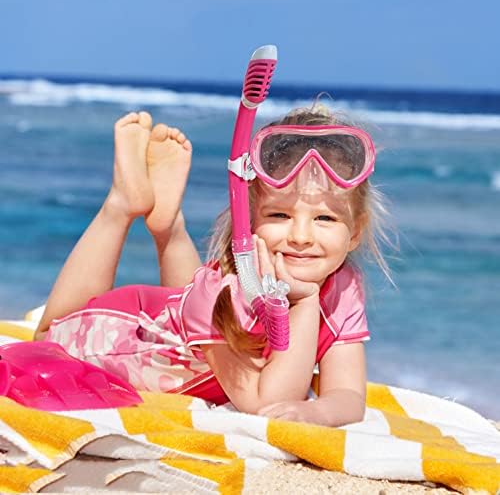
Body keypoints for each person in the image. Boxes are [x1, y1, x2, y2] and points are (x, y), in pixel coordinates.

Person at [34, 104, 391, 427]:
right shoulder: (223, 294)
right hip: (120, 335)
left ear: (354, 232)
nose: (300, 236)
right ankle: (121, 204)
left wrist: (319, 412)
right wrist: (304, 301)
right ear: (247, 222)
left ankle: (169, 227)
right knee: (47, 337)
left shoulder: (344, 286)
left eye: (325, 218)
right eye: (279, 215)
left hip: (184, 330)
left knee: (189, 300)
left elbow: (347, 394)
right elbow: (265, 402)